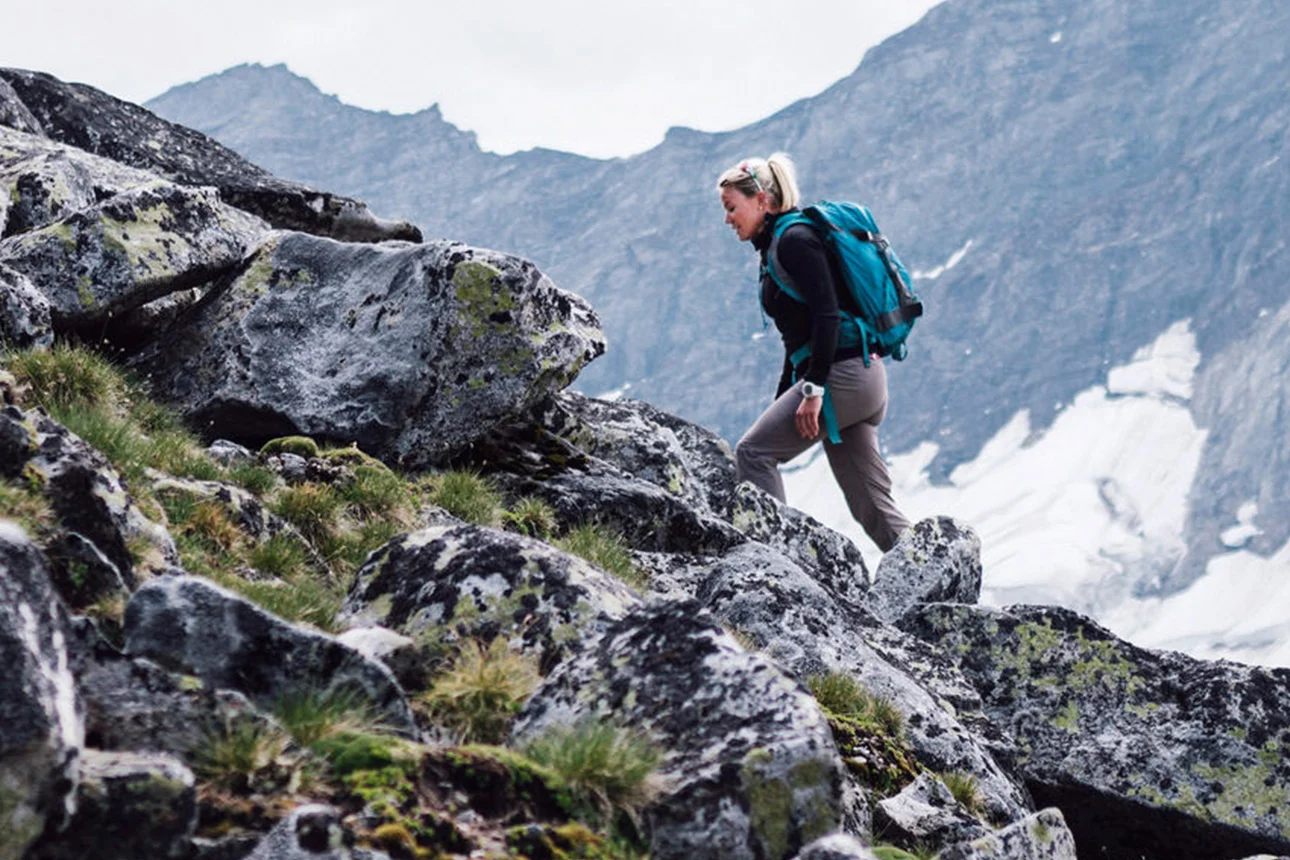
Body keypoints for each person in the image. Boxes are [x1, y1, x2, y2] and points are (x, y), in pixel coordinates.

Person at [717, 152, 910, 552]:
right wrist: (785, 399)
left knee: (753, 454)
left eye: (732, 208)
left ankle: (772, 566)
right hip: (861, 377)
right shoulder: (779, 245)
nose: (727, 219)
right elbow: (798, 342)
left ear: (762, 201)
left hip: (841, 377)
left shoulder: (794, 241)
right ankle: (930, 576)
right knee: (872, 506)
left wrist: (813, 389)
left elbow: (827, 315)